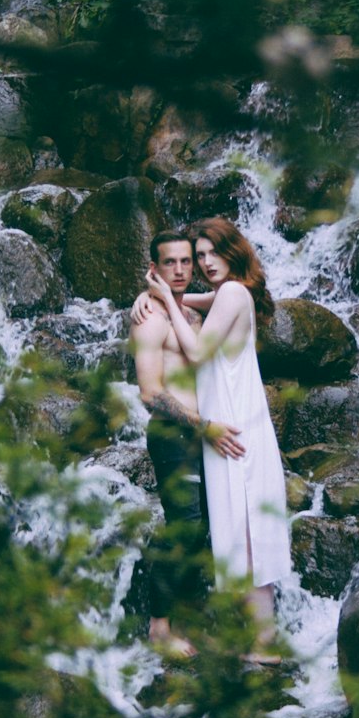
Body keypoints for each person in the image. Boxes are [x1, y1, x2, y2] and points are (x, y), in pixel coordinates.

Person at [144, 217, 291, 659]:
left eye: (212, 253)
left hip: (230, 428)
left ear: (233, 251)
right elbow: (187, 296)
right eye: (199, 255)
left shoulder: (231, 293)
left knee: (244, 529)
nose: (205, 263)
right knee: (244, 527)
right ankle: (261, 638)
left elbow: (199, 351)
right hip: (234, 426)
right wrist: (155, 293)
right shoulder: (231, 293)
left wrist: (166, 305)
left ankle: (263, 640)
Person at [129, 229, 245, 657]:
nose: (179, 270)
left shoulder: (190, 316)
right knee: (186, 526)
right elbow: (150, 392)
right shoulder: (150, 319)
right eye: (169, 263)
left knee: (207, 527)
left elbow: (234, 295)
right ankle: (158, 629)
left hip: (202, 434)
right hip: (175, 435)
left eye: (185, 262)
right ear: (154, 268)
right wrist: (205, 425)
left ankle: (185, 616)